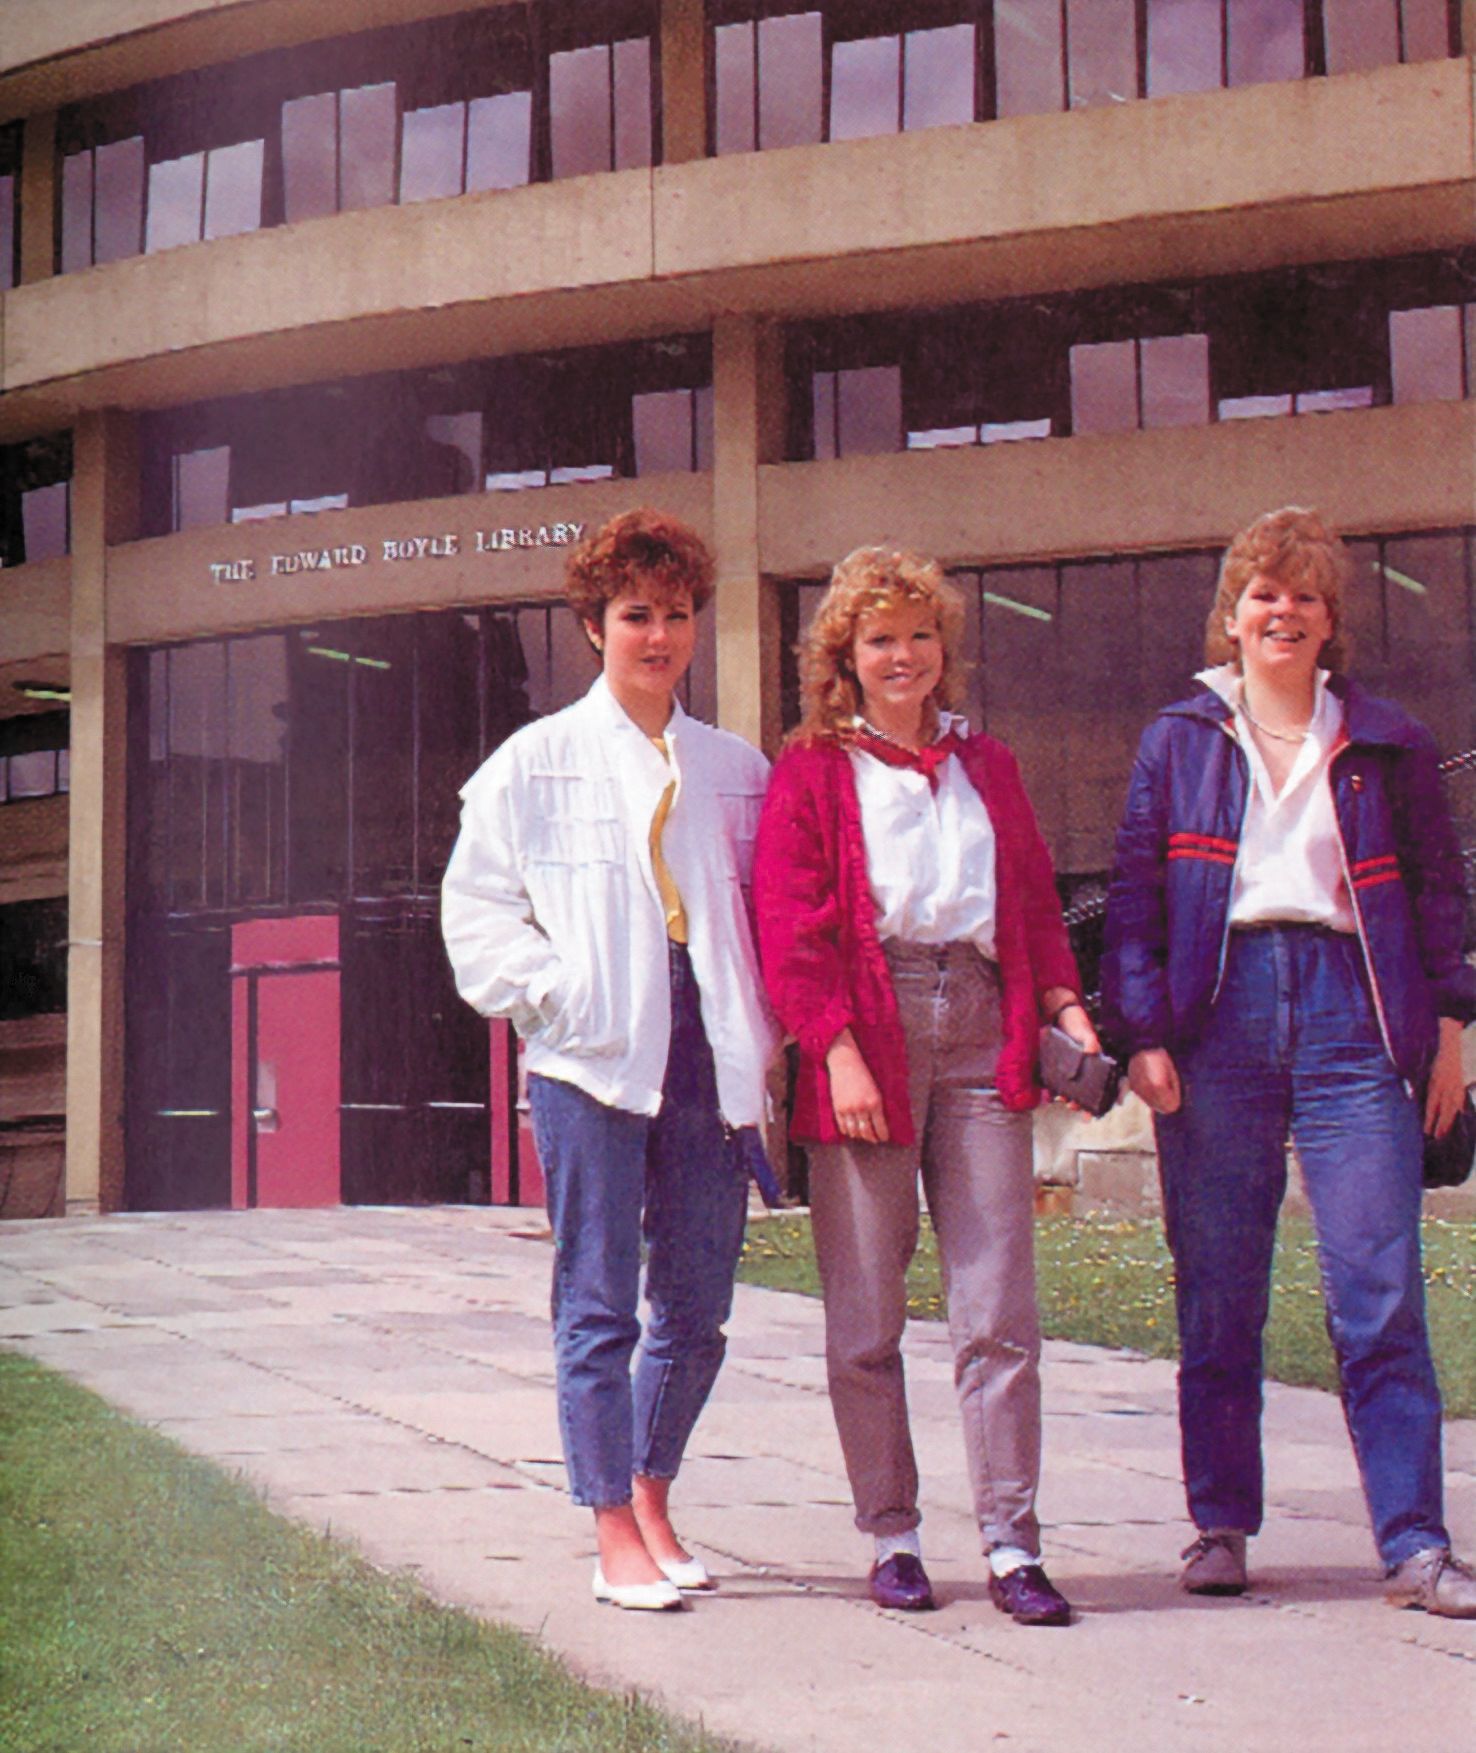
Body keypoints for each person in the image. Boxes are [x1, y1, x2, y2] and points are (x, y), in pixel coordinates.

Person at [1101, 506, 1476, 1617]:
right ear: (1233, 613)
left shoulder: (1387, 741)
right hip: (1222, 1015)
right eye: (1265, 593)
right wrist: (1144, 1034)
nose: (1284, 611)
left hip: (1354, 1016)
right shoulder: (1180, 736)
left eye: (1305, 596)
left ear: (1330, 620)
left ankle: (1415, 1541)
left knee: (1380, 1285)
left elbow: (1442, 894)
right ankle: (1219, 1523)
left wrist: (1453, 1026)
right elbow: (1135, 903)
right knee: (1219, 1287)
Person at [442, 508, 780, 1612]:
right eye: (636, 614)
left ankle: (651, 1488)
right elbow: (479, 914)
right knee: (600, 1303)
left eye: (677, 614)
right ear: (595, 625)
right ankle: (607, 1527)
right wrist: (558, 996)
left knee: (700, 1303)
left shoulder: (737, 768)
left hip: (707, 1052)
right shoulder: (529, 766)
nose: (658, 635)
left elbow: (771, 917)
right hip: (591, 1061)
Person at [752, 546, 1095, 1626]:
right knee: (866, 1312)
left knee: (998, 1306)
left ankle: (1011, 1543)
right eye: (878, 638)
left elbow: (1033, 902)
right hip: (871, 1025)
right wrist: (836, 1049)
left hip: (983, 1018)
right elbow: (791, 924)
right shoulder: (812, 768)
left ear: (943, 646)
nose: (902, 654)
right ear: (844, 659)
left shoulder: (986, 763)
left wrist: (1067, 1015)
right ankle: (892, 1534)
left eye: (918, 632)